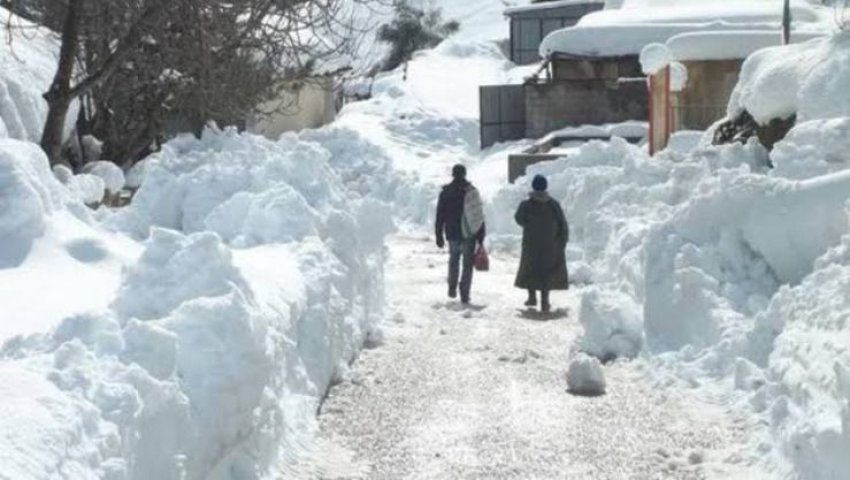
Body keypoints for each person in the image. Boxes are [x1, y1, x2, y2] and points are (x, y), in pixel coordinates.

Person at [514, 174, 569, 313]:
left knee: (531, 269)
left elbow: (518, 219)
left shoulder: (526, 204)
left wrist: (529, 224)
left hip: (531, 244)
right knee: (546, 272)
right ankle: (545, 301)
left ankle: (532, 297)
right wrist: (561, 241)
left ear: (533, 186)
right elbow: (563, 224)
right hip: (550, 246)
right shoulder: (553, 204)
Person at [435, 164, 485, 304]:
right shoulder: (472, 191)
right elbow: (478, 214)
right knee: (468, 263)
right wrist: (481, 235)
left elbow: (440, 215)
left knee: (454, 259)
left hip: (452, 232)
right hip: (468, 232)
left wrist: (438, 234)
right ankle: (465, 292)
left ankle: (452, 286)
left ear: (453, 174)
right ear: (464, 174)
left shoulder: (446, 192)